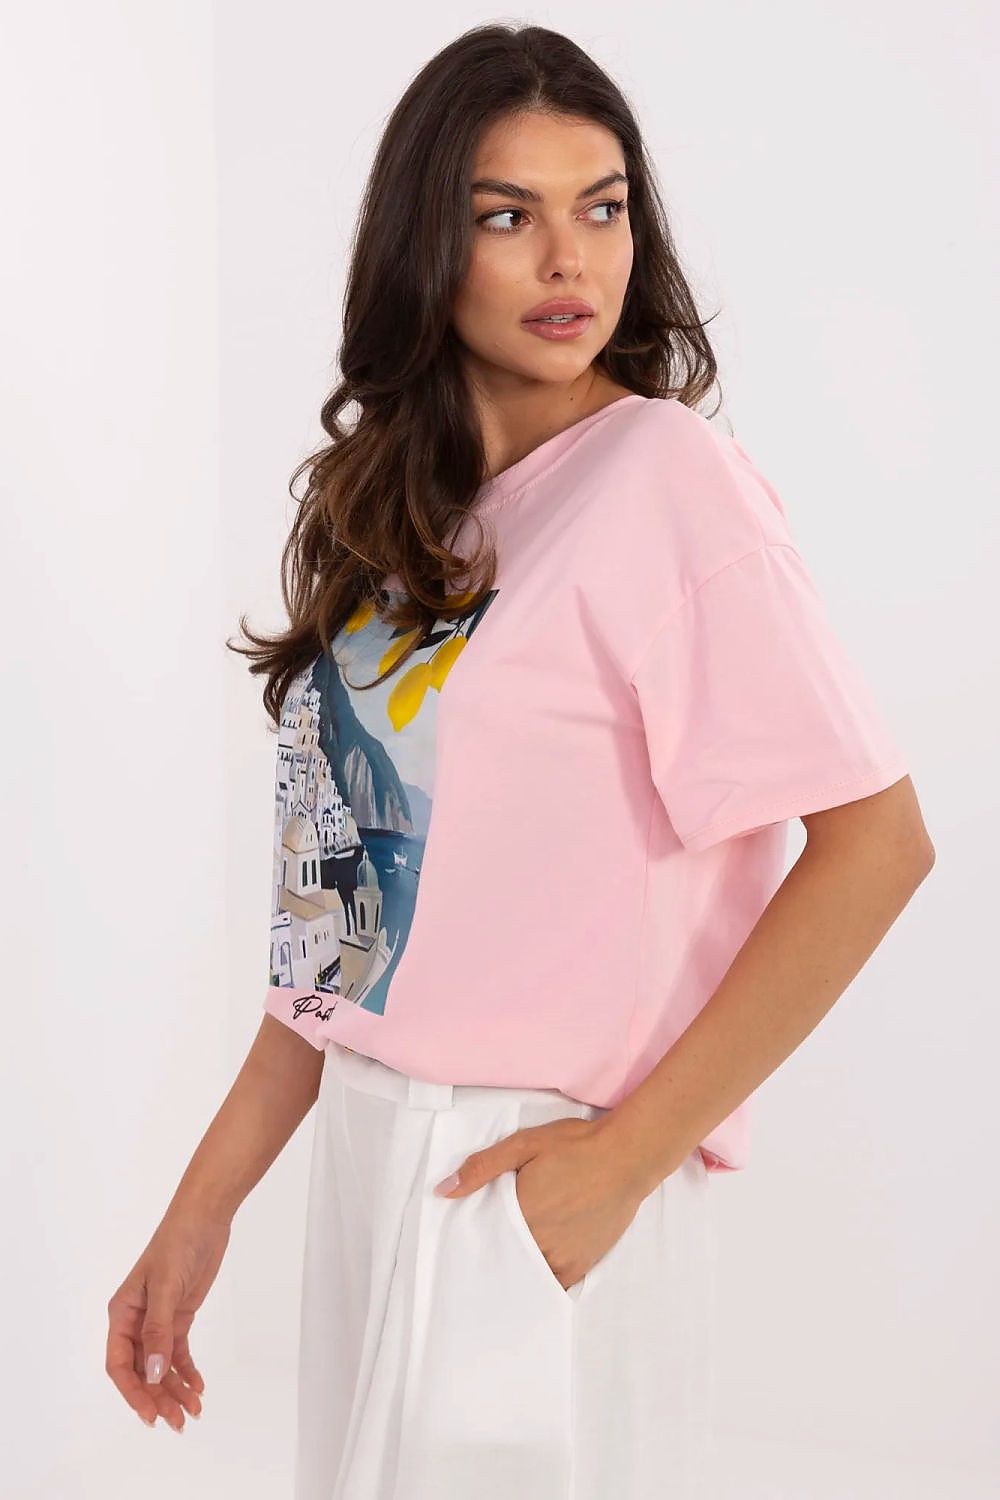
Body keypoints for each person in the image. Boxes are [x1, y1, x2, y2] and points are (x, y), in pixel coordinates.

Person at [105, 22, 935, 1499]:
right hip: (371, 1153)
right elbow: (341, 938)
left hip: (536, 1167)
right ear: (426, 245)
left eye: (602, 208)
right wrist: (202, 1208)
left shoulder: (667, 480)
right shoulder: (395, 524)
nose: (569, 261)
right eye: (507, 216)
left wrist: (620, 1167)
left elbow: (879, 843)